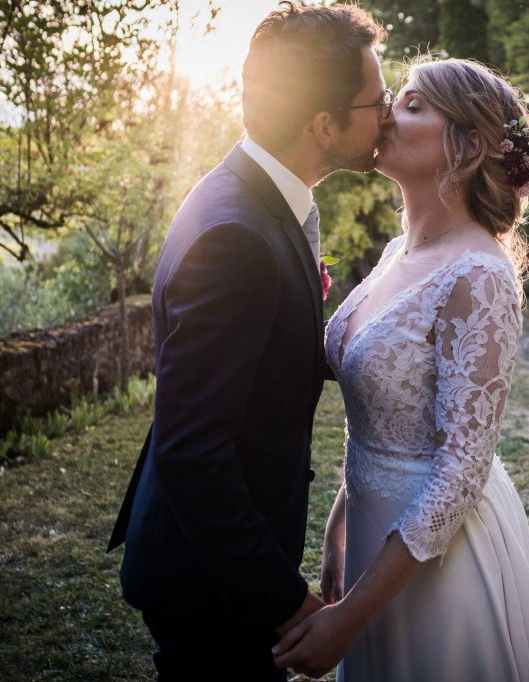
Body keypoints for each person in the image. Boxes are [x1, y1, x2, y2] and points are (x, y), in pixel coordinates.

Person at [104, 3, 387, 680]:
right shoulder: (237, 236)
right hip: (211, 584)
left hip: (219, 566)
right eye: (375, 100)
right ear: (324, 125)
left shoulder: (257, 199)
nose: (389, 111)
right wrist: (288, 603)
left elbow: (266, 360)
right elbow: (192, 453)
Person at [272, 57, 529, 681]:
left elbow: (461, 470)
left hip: (438, 556)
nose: (386, 115)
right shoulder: (399, 251)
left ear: (468, 144)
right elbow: (384, 412)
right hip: (371, 534)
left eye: (411, 105)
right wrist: (341, 518)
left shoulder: (479, 274)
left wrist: (351, 616)